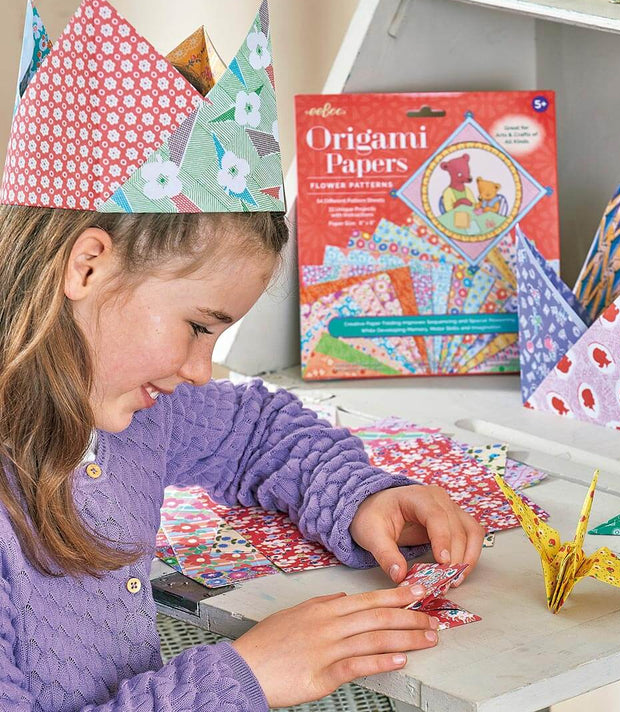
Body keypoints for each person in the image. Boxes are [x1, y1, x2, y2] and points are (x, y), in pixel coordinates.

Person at [0, 204, 485, 711]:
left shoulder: (133, 411)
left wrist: (357, 497)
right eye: (197, 326)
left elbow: (256, 427)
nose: (202, 371)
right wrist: (243, 676)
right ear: (88, 265)